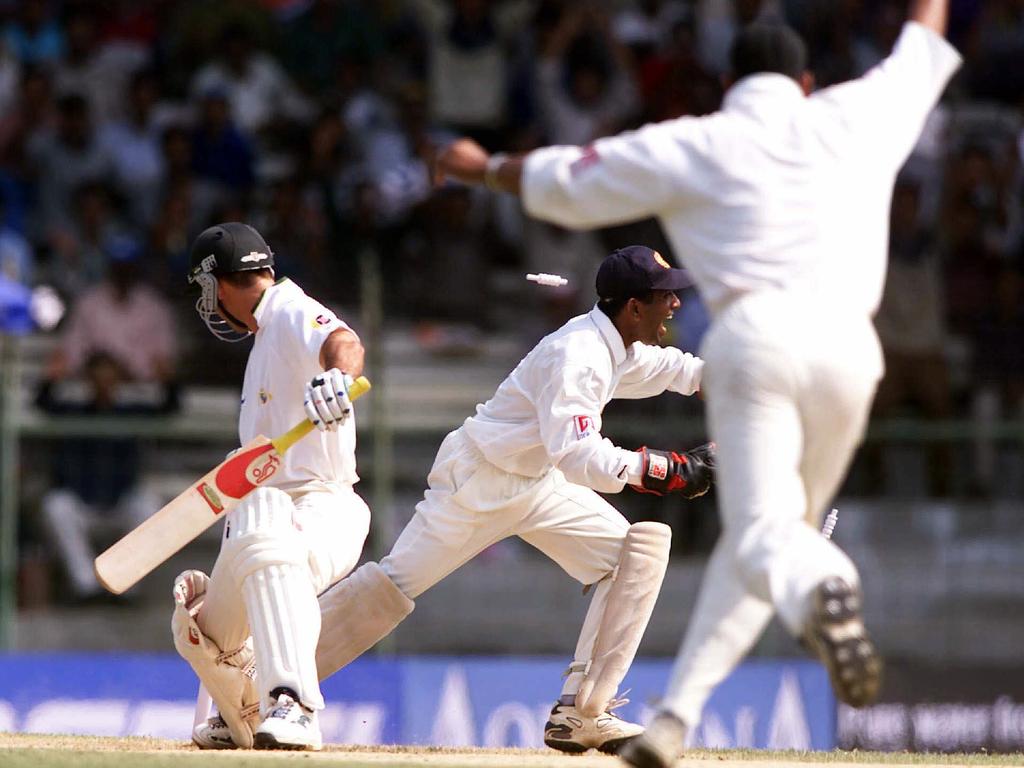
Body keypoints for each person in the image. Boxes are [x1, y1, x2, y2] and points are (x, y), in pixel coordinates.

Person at [431, 0, 961, 764]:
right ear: (806, 82)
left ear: (727, 80)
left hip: (754, 344)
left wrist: (483, 168)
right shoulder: (855, 113)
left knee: (764, 537)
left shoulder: (700, 138)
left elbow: (570, 180)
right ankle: (677, 716)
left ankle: (820, 586)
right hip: (853, 346)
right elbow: (922, 40)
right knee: (768, 534)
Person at [312, 244, 715, 755]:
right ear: (634, 307)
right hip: (480, 481)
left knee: (637, 553)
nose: (675, 305)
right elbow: (579, 456)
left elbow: (672, 371)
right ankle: (268, 681)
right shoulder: (581, 353)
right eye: (664, 296)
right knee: (393, 586)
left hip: (536, 483)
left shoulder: (616, 347)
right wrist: (669, 470)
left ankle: (582, 712)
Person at [172, 222, 370, 751]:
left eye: (205, 292)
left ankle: (294, 704)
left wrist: (337, 378)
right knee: (195, 628)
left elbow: (342, 340)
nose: (207, 305)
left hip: (323, 505)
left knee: (266, 528)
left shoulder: (285, 308)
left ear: (216, 283)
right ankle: (239, 703)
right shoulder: (264, 341)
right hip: (266, 515)